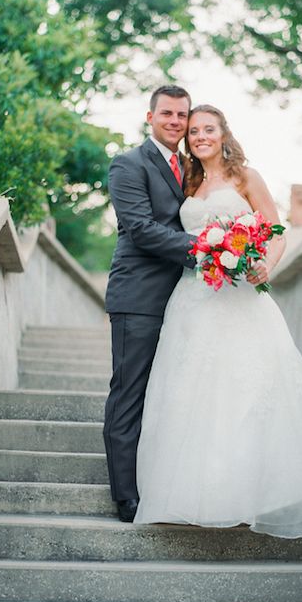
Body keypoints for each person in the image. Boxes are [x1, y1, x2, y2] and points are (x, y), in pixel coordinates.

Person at [133, 104, 302, 544]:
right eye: (194, 131)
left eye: (209, 129)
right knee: (190, 392)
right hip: (192, 297)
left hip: (241, 296)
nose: (200, 136)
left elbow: (276, 229)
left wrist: (265, 266)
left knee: (247, 387)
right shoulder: (187, 179)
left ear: (225, 133)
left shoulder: (246, 176)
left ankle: (253, 496)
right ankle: (192, 498)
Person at [104, 85, 196, 523]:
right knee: (130, 393)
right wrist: (207, 247)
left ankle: (166, 481)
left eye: (182, 114)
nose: (175, 121)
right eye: (167, 114)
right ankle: (126, 496)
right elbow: (140, 228)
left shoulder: (191, 168)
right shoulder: (129, 163)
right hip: (138, 296)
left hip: (186, 299)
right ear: (150, 116)